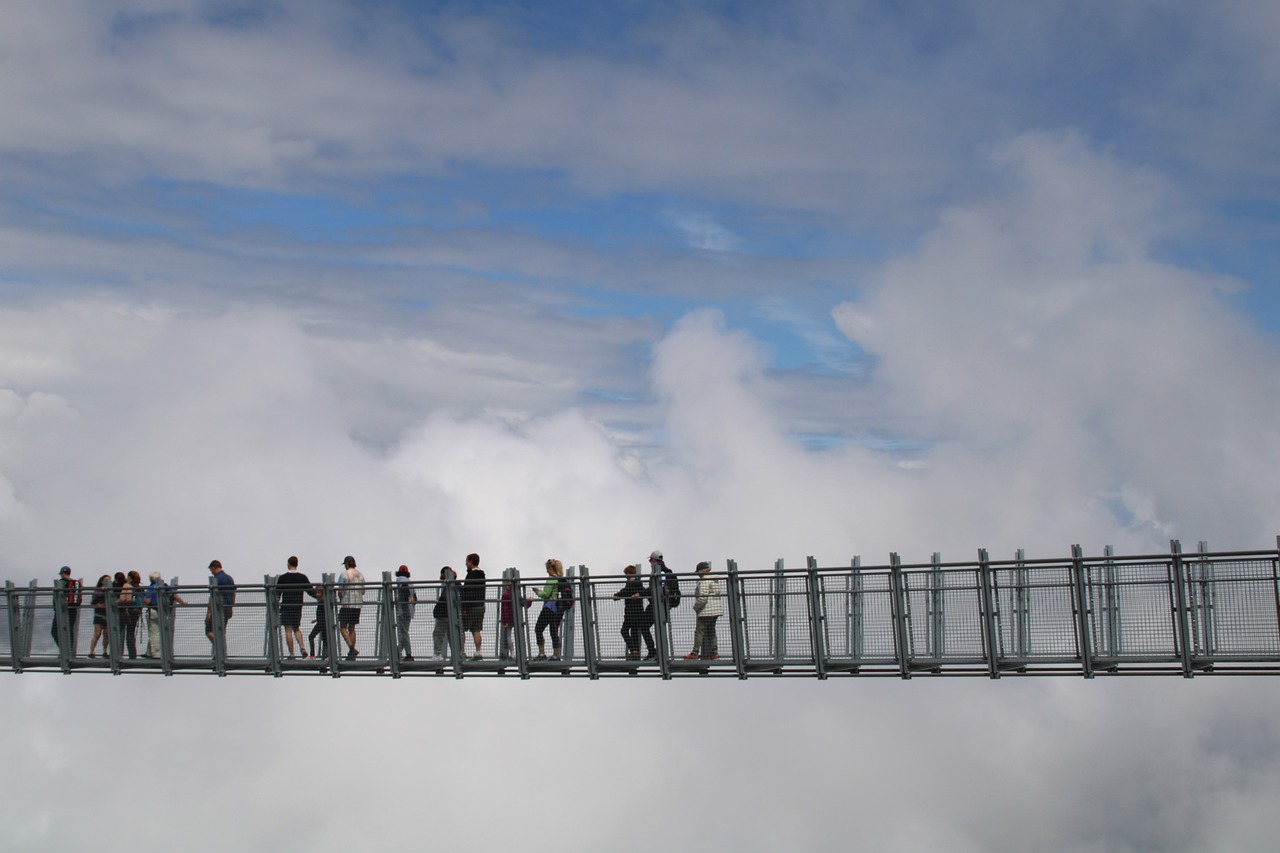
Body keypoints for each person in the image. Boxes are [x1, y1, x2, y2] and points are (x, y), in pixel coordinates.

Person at [613, 564, 654, 660]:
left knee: (624, 630)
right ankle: (635, 652)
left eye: (626, 574)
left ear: (628, 573)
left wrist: (617, 595)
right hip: (639, 612)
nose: (625, 576)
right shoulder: (638, 584)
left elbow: (626, 590)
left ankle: (634, 650)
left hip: (631, 612)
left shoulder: (632, 583)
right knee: (634, 632)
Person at [276, 556, 314, 660]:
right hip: (297, 606)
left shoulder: (283, 578)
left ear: (288, 564)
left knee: (288, 630)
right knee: (296, 628)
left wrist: (275, 604)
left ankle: (292, 654)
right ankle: (302, 648)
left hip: (286, 606)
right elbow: (310, 591)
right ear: (297, 564)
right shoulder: (302, 577)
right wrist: (320, 596)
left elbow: (277, 593)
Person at [531, 558, 568, 661]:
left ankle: (542, 654)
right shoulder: (559, 579)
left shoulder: (551, 579)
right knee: (553, 630)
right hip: (556, 608)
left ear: (551, 568)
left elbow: (546, 594)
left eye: (547, 568)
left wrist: (537, 591)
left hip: (548, 607)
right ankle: (556, 655)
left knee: (538, 629)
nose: (546, 571)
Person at [685, 561, 723, 660]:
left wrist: (695, 607)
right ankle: (714, 653)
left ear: (701, 571)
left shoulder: (704, 581)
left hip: (706, 610)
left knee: (699, 631)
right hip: (715, 610)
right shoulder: (714, 580)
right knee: (711, 631)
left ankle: (694, 653)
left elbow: (702, 597)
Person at [205, 559, 236, 654]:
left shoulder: (215, 580)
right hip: (227, 607)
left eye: (211, 570)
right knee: (221, 630)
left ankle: (220, 649)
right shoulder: (229, 578)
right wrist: (231, 607)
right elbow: (233, 593)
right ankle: (222, 652)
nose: (212, 572)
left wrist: (209, 613)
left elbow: (212, 597)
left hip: (217, 608)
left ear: (214, 568)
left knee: (209, 630)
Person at [337, 556, 365, 661]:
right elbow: (363, 591)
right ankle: (351, 653)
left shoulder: (344, 574)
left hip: (347, 603)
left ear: (347, 564)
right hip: (357, 604)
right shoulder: (360, 574)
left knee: (343, 627)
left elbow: (339, 590)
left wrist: (341, 599)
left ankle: (352, 648)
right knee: (352, 628)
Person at [498, 574, 530, 660]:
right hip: (517, 618)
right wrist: (529, 601)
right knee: (518, 635)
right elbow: (524, 603)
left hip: (508, 618)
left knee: (509, 636)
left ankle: (512, 653)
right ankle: (521, 653)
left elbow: (504, 609)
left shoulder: (505, 595)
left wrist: (504, 621)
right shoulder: (517, 595)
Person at [51, 566, 82, 654]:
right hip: (73, 609)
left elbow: (56, 596)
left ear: (62, 573)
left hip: (61, 610)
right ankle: (70, 650)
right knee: (69, 630)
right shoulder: (75, 583)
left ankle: (64, 650)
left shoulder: (61, 582)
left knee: (54, 631)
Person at [461, 553, 486, 661]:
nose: (465, 563)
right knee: (476, 629)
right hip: (481, 605)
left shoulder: (471, 575)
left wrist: (464, 608)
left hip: (471, 606)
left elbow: (468, 592)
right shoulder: (482, 575)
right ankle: (478, 652)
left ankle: (461, 652)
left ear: (471, 562)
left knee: (460, 628)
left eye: (467, 561)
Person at [431, 566, 457, 661]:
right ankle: (456, 655)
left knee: (438, 634)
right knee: (453, 636)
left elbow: (445, 599)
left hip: (444, 614)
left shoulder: (448, 584)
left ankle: (437, 654)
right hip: (453, 615)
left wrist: (437, 610)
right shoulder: (456, 583)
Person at [394, 565, 418, 661]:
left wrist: (406, 598)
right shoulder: (411, 582)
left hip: (402, 610)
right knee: (404, 632)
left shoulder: (399, 579)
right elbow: (415, 598)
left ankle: (408, 654)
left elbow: (404, 588)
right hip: (410, 610)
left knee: (403, 633)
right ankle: (397, 652)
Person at [88, 575, 110, 658]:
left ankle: (105, 651)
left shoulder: (111, 590)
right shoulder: (97, 591)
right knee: (97, 633)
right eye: (106, 580)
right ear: (101, 581)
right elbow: (93, 602)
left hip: (108, 614)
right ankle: (91, 652)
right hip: (99, 614)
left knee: (106, 634)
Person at [308, 585, 329, 659]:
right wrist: (316, 619)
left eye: (319, 593)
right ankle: (327, 655)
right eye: (316, 593)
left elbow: (324, 613)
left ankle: (312, 655)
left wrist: (318, 620)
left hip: (321, 623)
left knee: (311, 636)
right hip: (322, 622)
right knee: (325, 640)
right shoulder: (322, 601)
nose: (317, 595)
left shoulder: (323, 601)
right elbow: (323, 613)